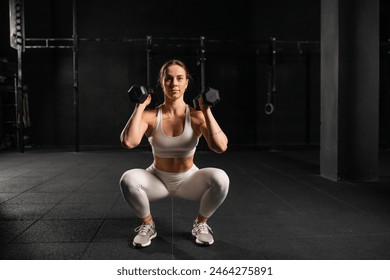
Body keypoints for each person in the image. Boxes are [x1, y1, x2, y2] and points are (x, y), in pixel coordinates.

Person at [119, 59, 229, 248]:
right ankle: (148, 225)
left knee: (221, 178)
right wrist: (140, 107)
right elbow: (129, 142)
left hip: (189, 180)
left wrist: (206, 111)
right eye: (168, 79)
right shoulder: (151, 116)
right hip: (157, 180)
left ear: (187, 82)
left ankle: (201, 223)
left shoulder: (196, 116)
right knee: (127, 179)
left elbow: (220, 147)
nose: (174, 83)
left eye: (179, 78)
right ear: (161, 83)